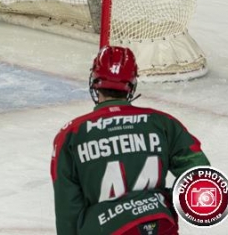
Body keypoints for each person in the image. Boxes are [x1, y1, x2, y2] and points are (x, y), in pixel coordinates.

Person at [51, 46, 210, 234]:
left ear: (94, 82)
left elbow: (67, 207)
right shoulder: (162, 123)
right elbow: (199, 174)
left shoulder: (71, 134)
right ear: (132, 84)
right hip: (159, 227)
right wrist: (165, 200)